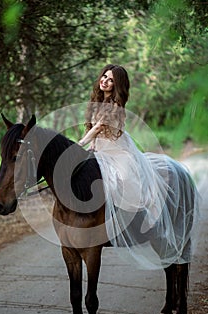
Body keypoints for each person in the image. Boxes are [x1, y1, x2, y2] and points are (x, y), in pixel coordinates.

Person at [78, 64, 198, 269]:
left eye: (111, 80)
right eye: (104, 76)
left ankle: (143, 219)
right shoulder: (97, 103)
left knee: (124, 178)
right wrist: (89, 149)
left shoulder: (114, 104)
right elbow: (95, 136)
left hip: (118, 152)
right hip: (101, 152)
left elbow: (99, 129)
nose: (105, 81)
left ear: (117, 86)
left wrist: (77, 145)